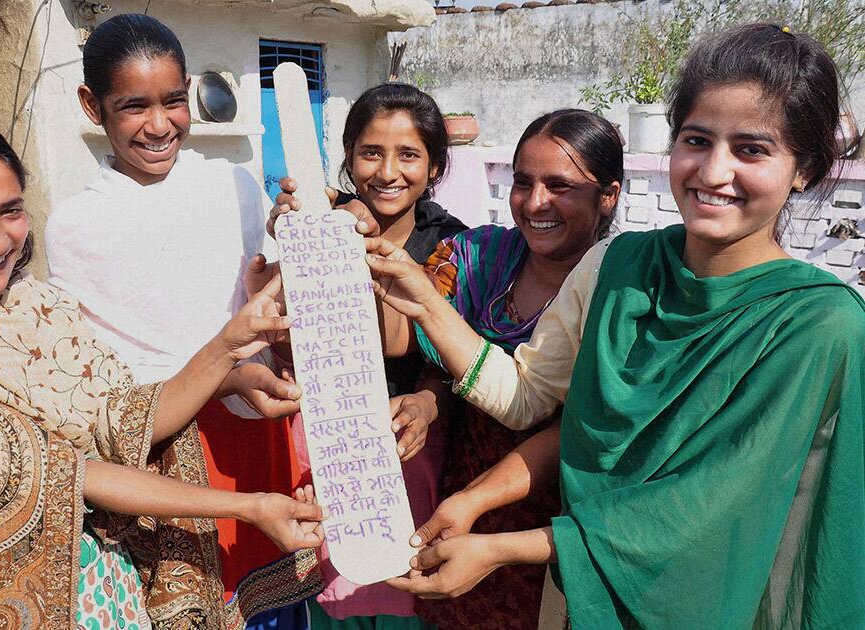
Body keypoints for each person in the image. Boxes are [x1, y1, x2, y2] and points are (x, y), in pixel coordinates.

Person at [369, 23, 864, 628]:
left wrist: (501, 548)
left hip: (708, 603)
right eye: (697, 139)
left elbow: (703, 511)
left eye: (752, 150)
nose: (712, 171)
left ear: (805, 168)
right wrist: (420, 295)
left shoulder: (817, 326)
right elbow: (535, 401)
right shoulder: (619, 264)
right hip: (578, 593)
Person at [0, 114, 325, 628]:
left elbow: (121, 421)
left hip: (108, 587)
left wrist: (229, 364)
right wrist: (249, 507)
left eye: (11, 211)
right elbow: (65, 472)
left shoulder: (40, 306)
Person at [44, 15, 315, 628]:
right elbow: (109, 375)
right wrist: (224, 374)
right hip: (163, 454)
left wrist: (297, 237)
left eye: (172, 100)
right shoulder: (77, 226)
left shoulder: (237, 185)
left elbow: (261, 302)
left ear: (189, 90)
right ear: (93, 106)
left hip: (257, 430)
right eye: (133, 106)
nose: (159, 124)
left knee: (277, 604)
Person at [409, 109, 621, 629]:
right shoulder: (478, 256)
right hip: (461, 491)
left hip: (550, 520)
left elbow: (564, 423)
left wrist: (478, 504)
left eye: (560, 185)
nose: (535, 202)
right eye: (523, 182)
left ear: (608, 196)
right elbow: (409, 334)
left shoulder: (621, 290)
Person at [267, 82, 467, 629]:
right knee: (336, 598)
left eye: (409, 154)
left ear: (434, 166)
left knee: (409, 595)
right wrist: (296, 240)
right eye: (371, 152)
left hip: (418, 456)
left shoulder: (459, 249)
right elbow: (285, 326)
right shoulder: (319, 224)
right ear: (349, 158)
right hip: (330, 453)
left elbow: (448, 356)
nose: (387, 171)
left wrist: (428, 400)